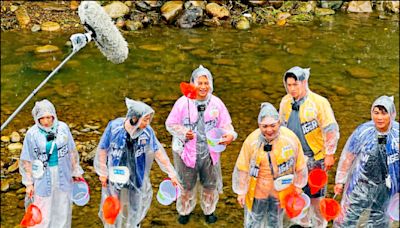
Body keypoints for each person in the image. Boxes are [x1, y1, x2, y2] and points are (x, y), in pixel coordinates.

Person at [165, 65, 237, 224]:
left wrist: (231, 135)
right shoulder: (183, 103)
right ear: (192, 84)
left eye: (206, 83)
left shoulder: (217, 103)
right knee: (186, 184)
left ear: (211, 84)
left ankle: (209, 210)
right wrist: (184, 132)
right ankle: (184, 210)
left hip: (210, 152)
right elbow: (170, 124)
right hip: (185, 152)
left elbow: (226, 125)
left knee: (210, 184)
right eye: (200, 83)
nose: (203, 87)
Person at [94, 98, 181, 228]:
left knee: (135, 206)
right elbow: (102, 149)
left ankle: (133, 225)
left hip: (136, 175)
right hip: (116, 174)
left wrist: (171, 173)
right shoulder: (114, 127)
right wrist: (102, 172)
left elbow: (158, 152)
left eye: (148, 119)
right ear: (134, 118)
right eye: (145, 119)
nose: (147, 123)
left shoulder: (147, 132)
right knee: (114, 205)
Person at [279, 66, 340, 227]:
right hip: (294, 159)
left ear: (304, 82)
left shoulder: (319, 103)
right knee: (296, 192)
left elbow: (330, 129)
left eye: (295, 85)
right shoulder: (285, 102)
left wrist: (329, 153)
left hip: (316, 158)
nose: (292, 89)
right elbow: (281, 129)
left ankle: (319, 224)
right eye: (289, 85)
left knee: (316, 196)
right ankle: (303, 223)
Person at [232, 102, 308, 228]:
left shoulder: (290, 139)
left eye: (273, 125)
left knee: (275, 220)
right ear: (259, 125)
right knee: (254, 220)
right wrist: (241, 191)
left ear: (279, 123)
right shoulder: (252, 142)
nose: (269, 130)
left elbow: (300, 164)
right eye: (264, 126)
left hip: (279, 192)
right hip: (258, 191)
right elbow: (242, 168)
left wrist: (299, 185)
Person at [333, 95, 399, 227]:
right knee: (347, 219)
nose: (379, 117)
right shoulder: (363, 131)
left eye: (384, 113)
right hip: (361, 185)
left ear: (392, 114)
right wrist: (340, 181)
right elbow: (348, 156)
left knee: (380, 221)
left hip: (387, 188)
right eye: (376, 113)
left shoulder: (397, 134)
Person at [19, 99, 84, 227]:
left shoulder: (63, 128)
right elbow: (27, 159)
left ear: (54, 115)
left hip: (63, 175)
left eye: (49, 117)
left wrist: (76, 171)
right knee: (43, 211)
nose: (46, 121)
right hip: (43, 178)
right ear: (37, 118)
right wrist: (29, 183)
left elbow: (71, 151)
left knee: (62, 208)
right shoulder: (32, 134)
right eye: (42, 118)